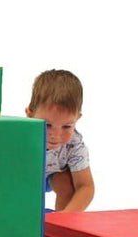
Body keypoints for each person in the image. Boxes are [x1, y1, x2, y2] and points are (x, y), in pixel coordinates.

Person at [25, 69, 95, 212]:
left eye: (67, 126)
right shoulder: (20, 137)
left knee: (65, 183)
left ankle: (60, 223)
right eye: (48, 125)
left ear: (77, 119)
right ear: (30, 115)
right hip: (23, 176)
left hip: (52, 174)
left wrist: (67, 216)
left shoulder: (74, 145)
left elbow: (85, 186)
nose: (56, 135)